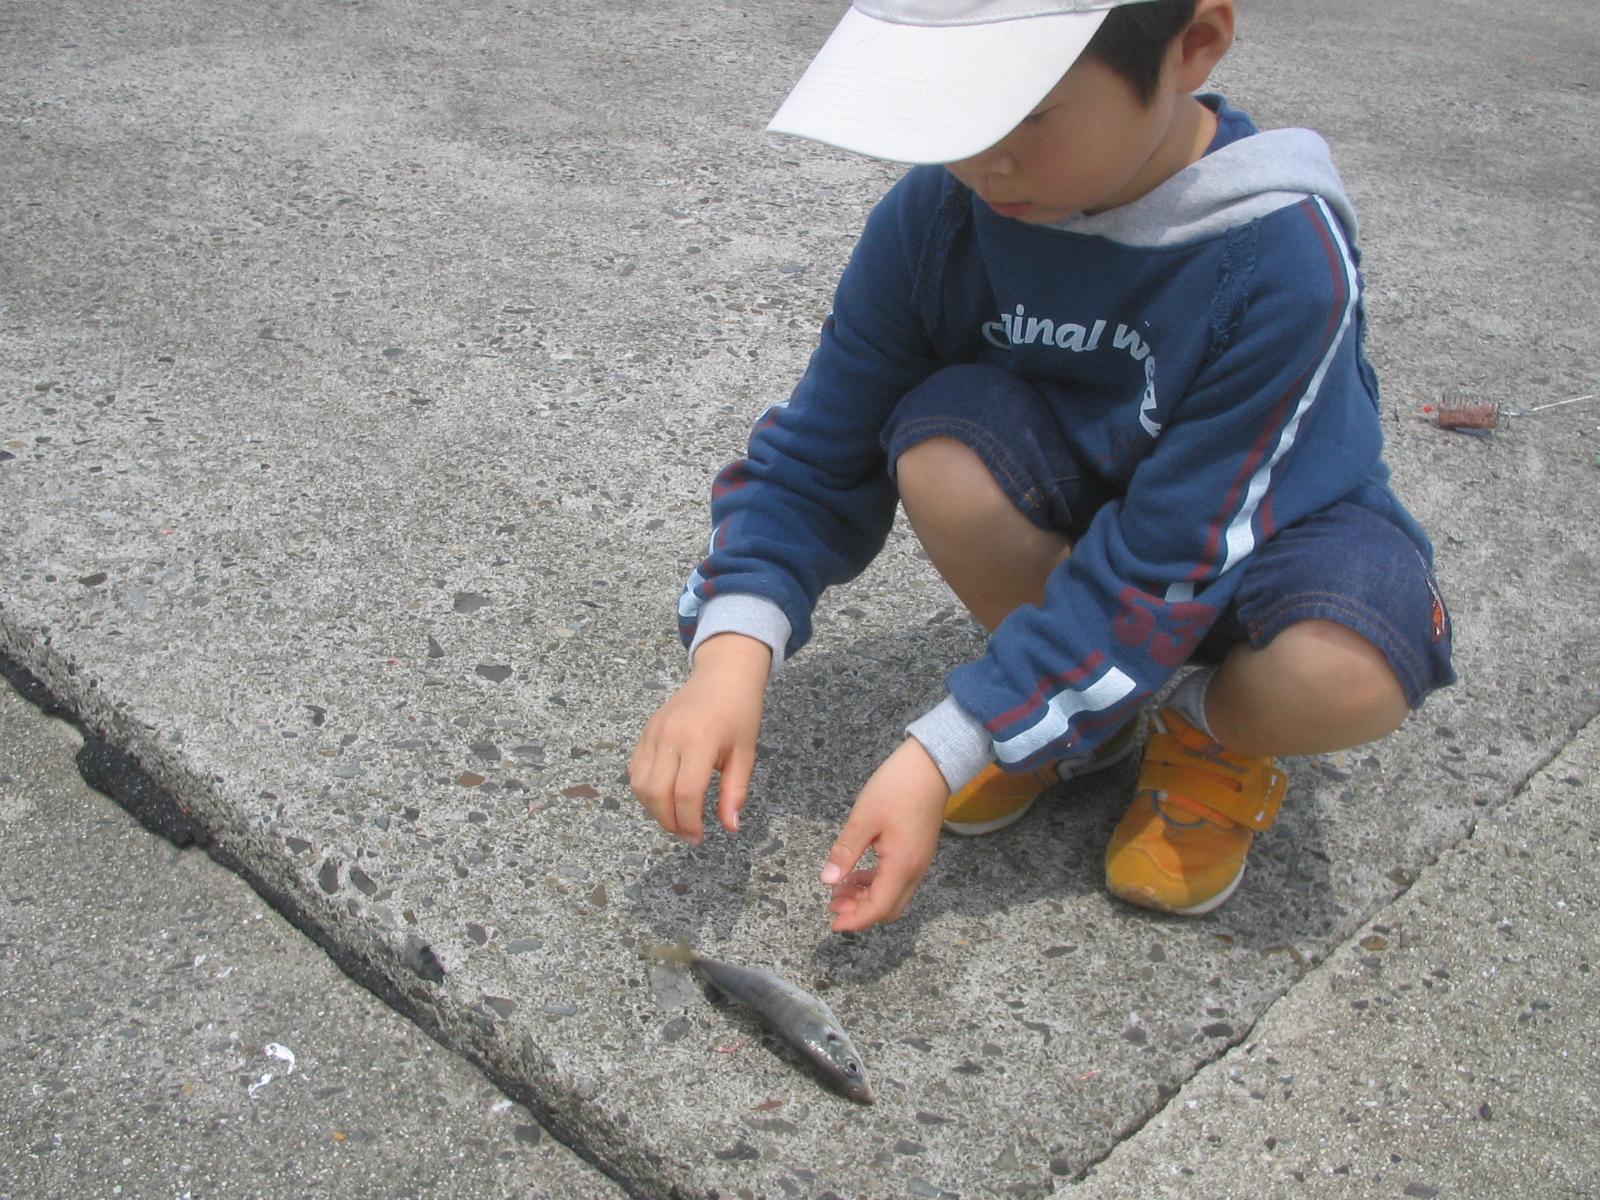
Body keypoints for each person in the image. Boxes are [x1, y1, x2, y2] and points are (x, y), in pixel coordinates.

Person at [630, 0, 1456, 932]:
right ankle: (1073, 718)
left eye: (1025, 114)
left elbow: (1169, 556)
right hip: (1088, 532)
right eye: (952, 110)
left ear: (1193, 46)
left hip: (1262, 542)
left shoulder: (1282, 262)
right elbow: (821, 444)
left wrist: (943, 751)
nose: (983, 158)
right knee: (939, 452)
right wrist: (730, 655)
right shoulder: (943, 212)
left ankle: (1208, 731)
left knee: (1352, 664)